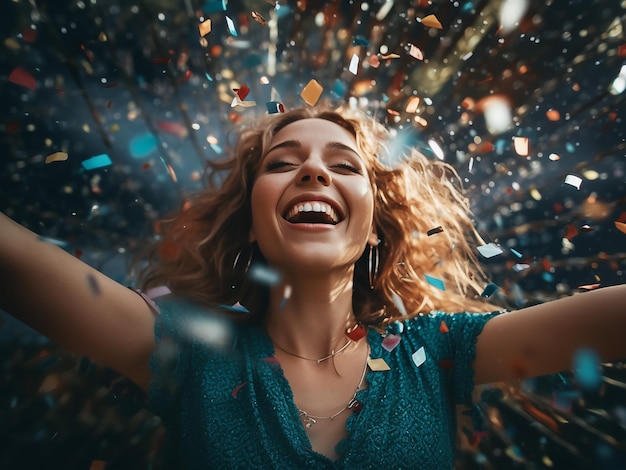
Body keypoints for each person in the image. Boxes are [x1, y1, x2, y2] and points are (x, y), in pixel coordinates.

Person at [1, 106, 625, 468]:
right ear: (251, 218)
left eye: (344, 164)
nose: (313, 170)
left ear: (377, 226)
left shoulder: (435, 350)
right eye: (282, 162)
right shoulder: (187, 347)